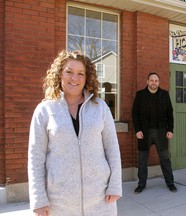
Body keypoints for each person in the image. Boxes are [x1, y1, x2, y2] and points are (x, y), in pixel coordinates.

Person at [28, 50, 122, 216]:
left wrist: (115, 185)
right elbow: (36, 158)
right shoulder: (45, 110)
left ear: (87, 77)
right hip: (59, 203)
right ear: (59, 75)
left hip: (100, 200)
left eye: (81, 73)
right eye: (69, 72)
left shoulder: (100, 108)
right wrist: (39, 199)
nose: (74, 78)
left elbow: (112, 149)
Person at [132, 72, 177, 193]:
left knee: (165, 159)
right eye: (151, 80)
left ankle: (170, 182)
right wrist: (138, 130)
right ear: (147, 81)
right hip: (144, 133)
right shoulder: (140, 95)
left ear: (159, 82)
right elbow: (135, 114)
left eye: (156, 81)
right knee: (142, 160)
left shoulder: (164, 94)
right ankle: (141, 184)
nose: (154, 82)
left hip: (161, 132)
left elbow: (170, 114)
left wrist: (170, 130)